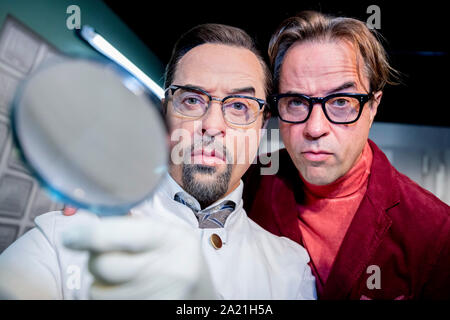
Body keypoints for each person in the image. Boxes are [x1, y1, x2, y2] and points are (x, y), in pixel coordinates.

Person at [0, 23, 316, 300]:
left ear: (262, 128)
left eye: (239, 106)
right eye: (192, 100)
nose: (212, 124)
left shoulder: (290, 270)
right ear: (165, 113)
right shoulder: (66, 237)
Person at [243, 11, 450, 300]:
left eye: (341, 101)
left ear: (373, 106)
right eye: (296, 102)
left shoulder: (435, 231)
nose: (315, 128)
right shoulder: (245, 189)